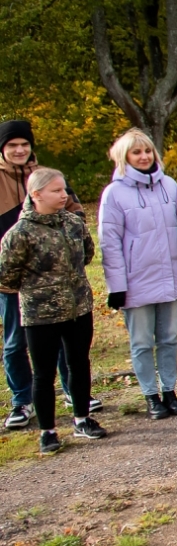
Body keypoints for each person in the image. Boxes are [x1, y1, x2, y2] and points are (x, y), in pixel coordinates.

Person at [98, 128, 177, 419]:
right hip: (136, 281)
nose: (143, 157)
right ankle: (150, 394)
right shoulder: (114, 194)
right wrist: (116, 285)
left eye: (147, 151)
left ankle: (169, 389)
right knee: (142, 341)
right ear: (124, 157)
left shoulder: (169, 186)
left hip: (172, 275)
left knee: (169, 338)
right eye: (136, 152)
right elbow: (110, 242)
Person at [0, 167, 102, 455]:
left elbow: (88, 254)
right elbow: (6, 275)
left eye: (64, 189)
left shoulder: (73, 223)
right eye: (56, 190)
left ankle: (82, 419)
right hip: (40, 315)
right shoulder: (19, 234)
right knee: (43, 373)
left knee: (79, 363)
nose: (64, 195)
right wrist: (40, 287)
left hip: (78, 308)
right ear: (36, 195)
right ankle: (48, 431)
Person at [1, 119, 81, 430]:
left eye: (24, 144)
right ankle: (22, 399)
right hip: (14, 281)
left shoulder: (47, 177)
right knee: (14, 341)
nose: (20, 150)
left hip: (57, 278)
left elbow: (74, 209)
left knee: (61, 340)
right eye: (12, 146)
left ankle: (72, 393)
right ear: (3, 149)